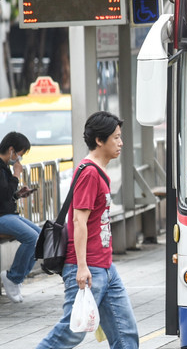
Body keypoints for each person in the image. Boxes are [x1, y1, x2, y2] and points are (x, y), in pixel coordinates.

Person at [37, 111, 139, 349]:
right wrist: (82, 267)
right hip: (87, 267)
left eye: (120, 137)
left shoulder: (98, 171)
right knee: (71, 332)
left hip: (105, 266)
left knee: (126, 333)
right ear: (99, 141)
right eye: (115, 138)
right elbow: (79, 221)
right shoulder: (89, 173)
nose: (121, 143)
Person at [0, 131, 40, 303]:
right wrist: (16, 175)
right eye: (19, 155)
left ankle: (16, 278)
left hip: (7, 214)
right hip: (2, 217)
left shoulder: (4, 167)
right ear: (11, 150)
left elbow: (6, 196)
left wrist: (17, 195)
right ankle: (13, 278)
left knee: (41, 237)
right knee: (32, 238)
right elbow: (3, 193)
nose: (19, 160)